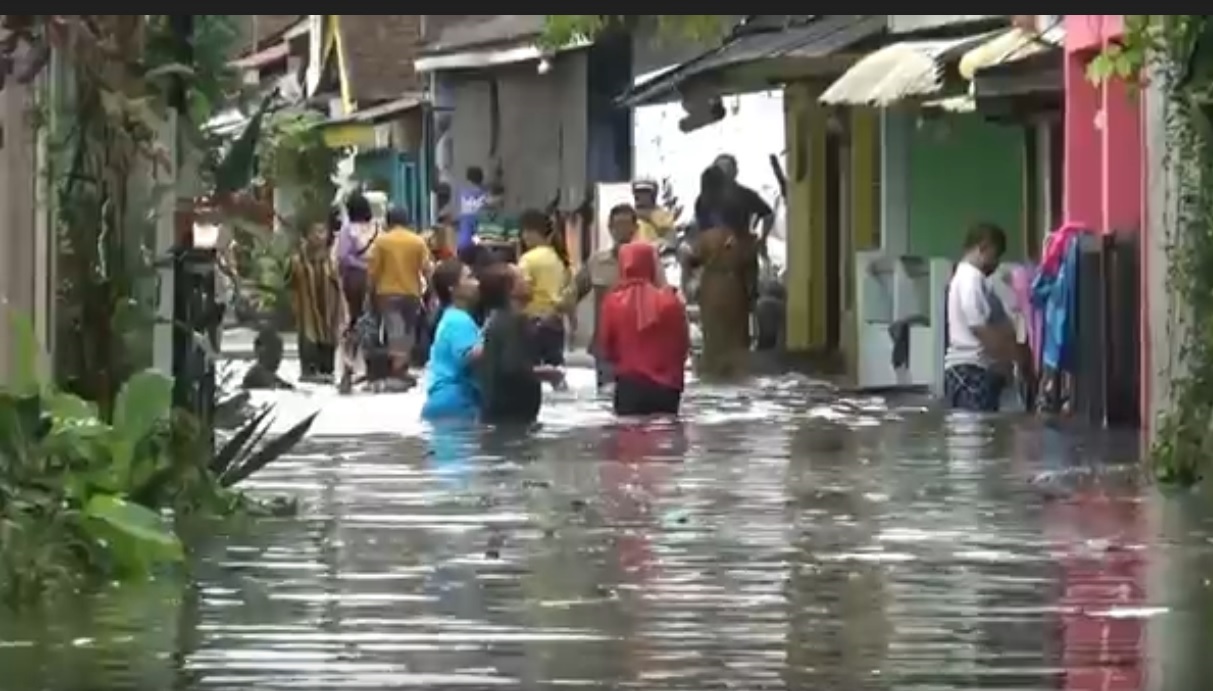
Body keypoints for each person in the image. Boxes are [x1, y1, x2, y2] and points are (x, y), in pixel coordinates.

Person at [565, 204, 663, 387]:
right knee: (606, 397)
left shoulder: (648, 260)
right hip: (605, 343)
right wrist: (570, 321)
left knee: (635, 396)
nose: (622, 230)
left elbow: (663, 296)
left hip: (639, 343)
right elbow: (573, 293)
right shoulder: (598, 262)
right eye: (617, 225)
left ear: (635, 228)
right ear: (610, 228)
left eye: (626, 225)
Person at [598, 242, 689, 416]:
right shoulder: (671, 301)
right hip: (667, 390)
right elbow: (683, 347)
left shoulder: (612, 303)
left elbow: (607, 349)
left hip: (630, 388)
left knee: (629, 439)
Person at [688, 166, 758, 380]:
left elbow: (693, 260)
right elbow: (750, 266)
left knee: (713, 332)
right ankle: (736, 373)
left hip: (712, 284)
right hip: (736, 285)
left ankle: (713, 372)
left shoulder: (706, 234)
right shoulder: (744, 240)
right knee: (737, 333)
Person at [944, 222, 1021, 412]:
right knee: (975, 432)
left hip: (969, 370)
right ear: (983, 248)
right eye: (996, 256)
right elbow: (979, 328)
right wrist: (1008, 361)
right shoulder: (972, 279)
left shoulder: (965, 277)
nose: (996, 265)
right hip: (972, 370)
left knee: (976, 432)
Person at [477, 264, 565, 425]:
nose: (529, 280)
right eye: (522, 277)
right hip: (512, 418)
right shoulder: (514, 321)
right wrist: (547, 373)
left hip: (498, 414)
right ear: (509, 290)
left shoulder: (497, 320)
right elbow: (512, 367)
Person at [368, 207, 432, 387]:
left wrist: (370, 290)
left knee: (394, 329)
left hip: (387, 292)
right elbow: (426, 268)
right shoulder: (417, 241)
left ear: (388, 221)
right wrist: (430, 290)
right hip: (411, 292)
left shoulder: (382, 242)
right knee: (408, 330)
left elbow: (373, 270)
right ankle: (404, 366)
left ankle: (397, 369)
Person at [422, 259, 482, 421]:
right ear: (453, 289)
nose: (477, 283)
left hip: (445, 401)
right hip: (455, 402)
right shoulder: (458, 320)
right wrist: (494, 337)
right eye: (469, 278)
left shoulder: (451, 317)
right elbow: (468, 357)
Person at [287, 221, 343, 382]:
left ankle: (326, 368)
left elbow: (339, 281)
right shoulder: (298, 259)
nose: (320, 236)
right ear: (307, 236)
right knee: (309, 334)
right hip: (307, 309)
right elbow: (289, 281)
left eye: (323, 231)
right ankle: (309, 370)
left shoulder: (331, 258)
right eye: (316, 232)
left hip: (329, 309)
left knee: (328, 336)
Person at [517, 209, 569, 367]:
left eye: (524, 232)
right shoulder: (559, 259)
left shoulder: (528, 259)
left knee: (532, 374)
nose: (523, 237)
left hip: (533, 322)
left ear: (532, 232)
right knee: (554, 372)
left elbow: (521, 290)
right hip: (555, 322)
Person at [334, 191, 380, 332]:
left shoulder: (348, 230)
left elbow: (343, 256)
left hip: (355, 276)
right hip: (377, 274)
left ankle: (354, 342)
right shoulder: (377, 227)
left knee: (355, 313)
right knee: (373, 312)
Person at [456, 166, 488, 265]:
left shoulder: (463, 193)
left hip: (464, 241)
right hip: (480, 239)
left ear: (468, 179)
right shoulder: (485, 194)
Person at [632, 179, 675, 244]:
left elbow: (670, 237)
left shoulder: (664, 214)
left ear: (653, 194)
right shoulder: (629, 214)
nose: (640, 194)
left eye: (645, 192)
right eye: (637, 191)